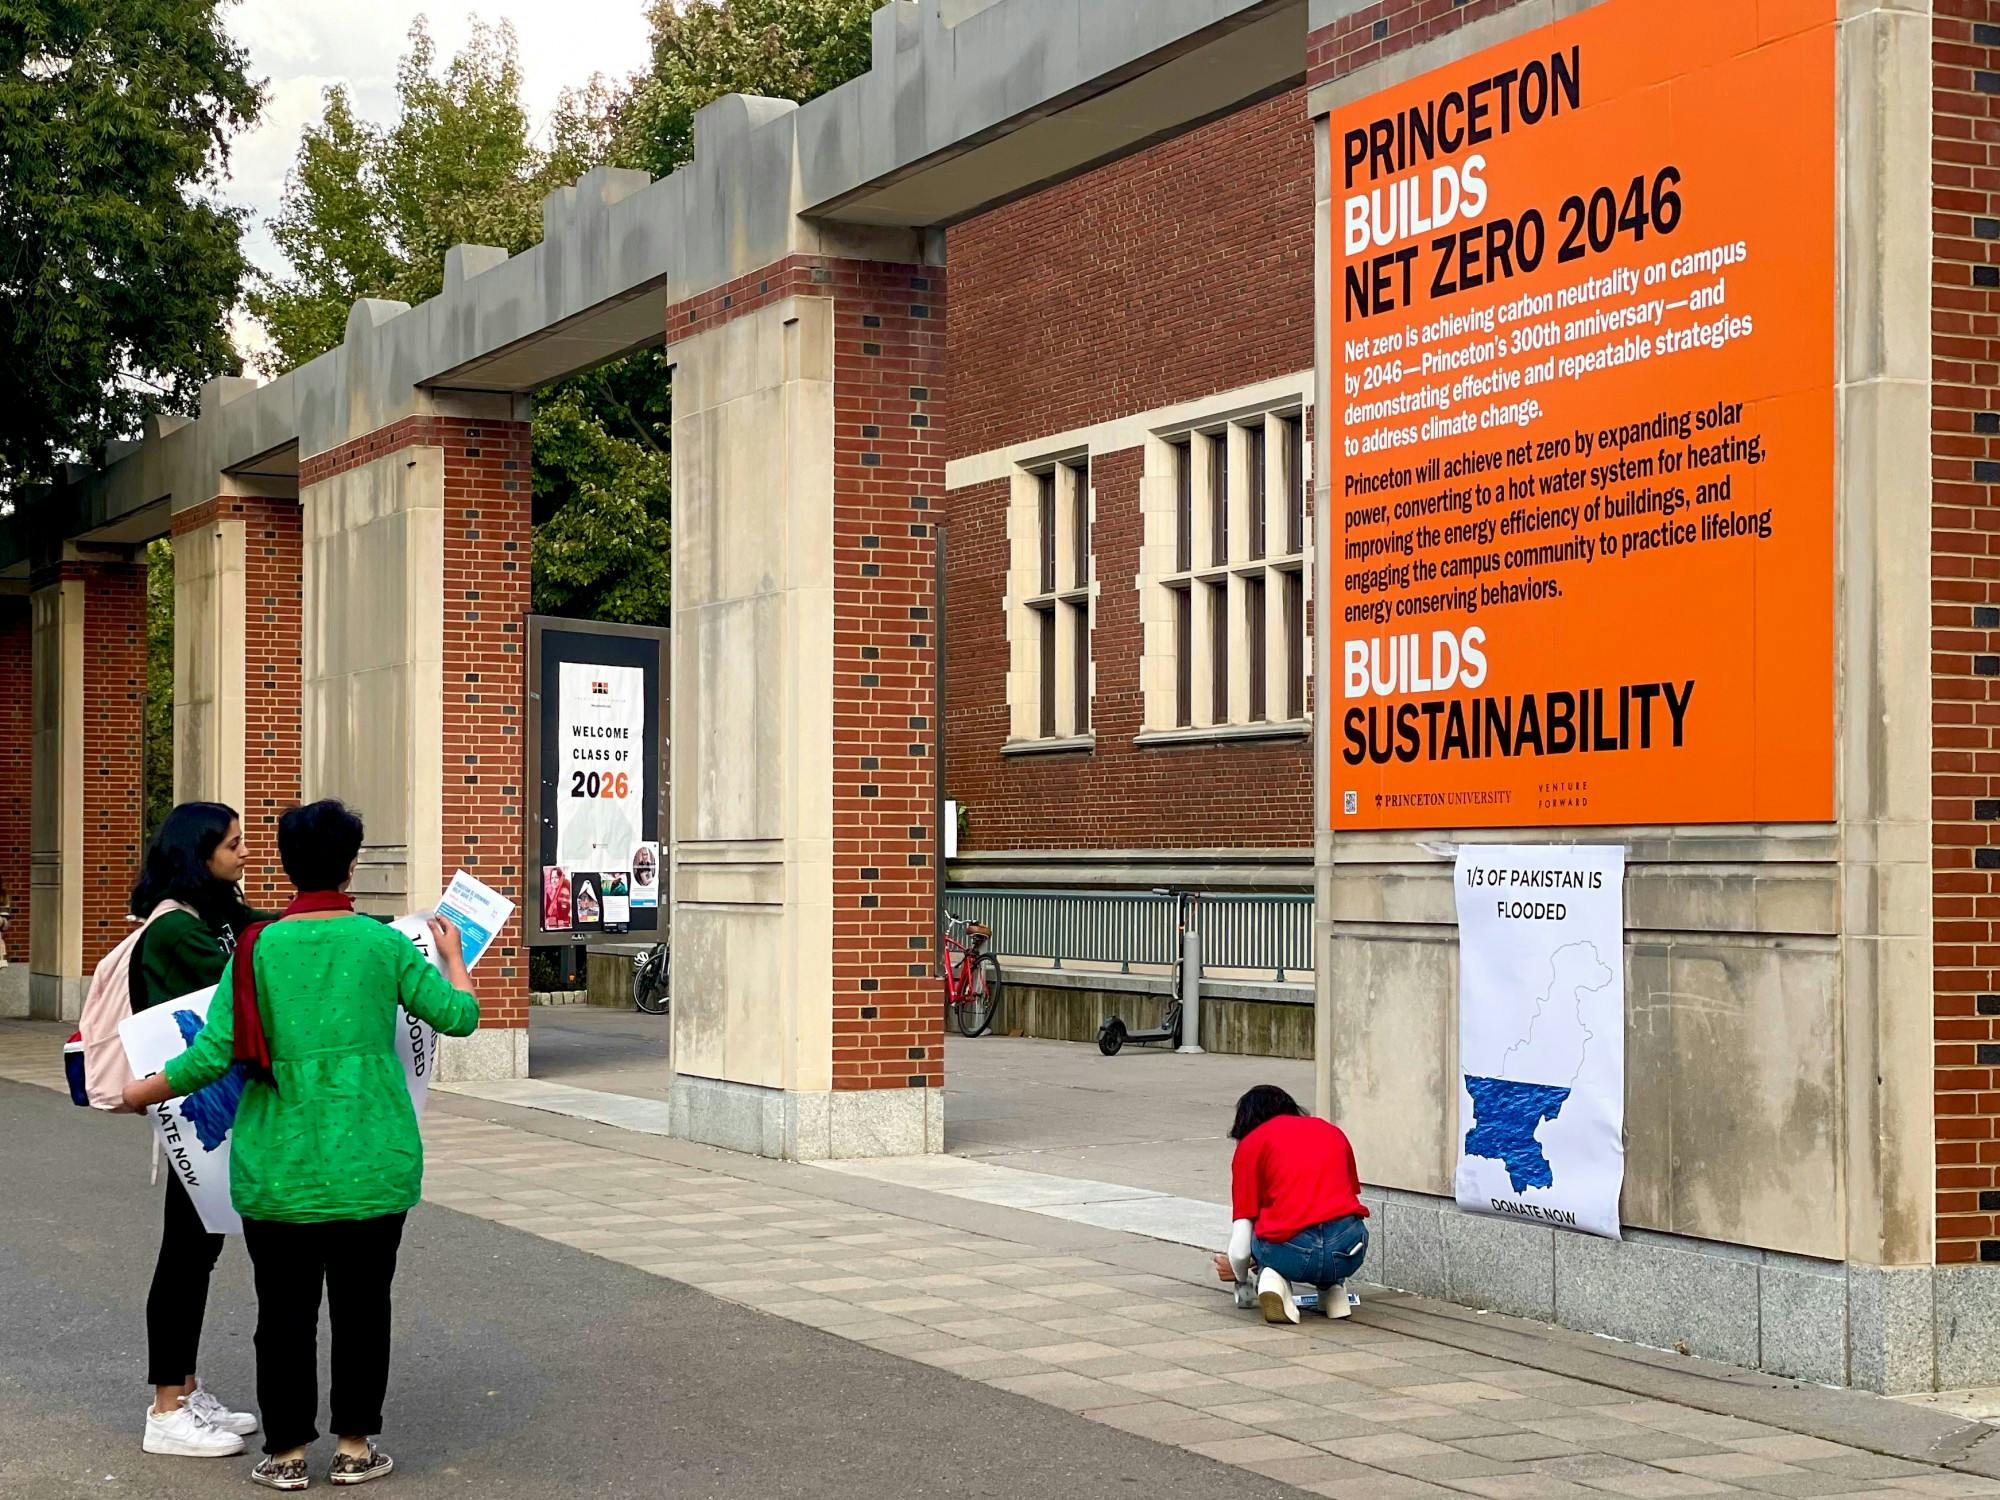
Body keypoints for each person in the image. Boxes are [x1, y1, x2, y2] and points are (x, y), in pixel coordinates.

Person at [125, 800, 481, 1491]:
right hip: (371, 1159)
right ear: (351, 867)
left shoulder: (257, 949)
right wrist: (455, 959)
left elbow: (209, 1057)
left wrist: (137, 1091)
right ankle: (354, 1446)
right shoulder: (380, 946)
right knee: (362, 1307)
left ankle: (286, 1452)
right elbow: (458, 1017)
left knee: (282, 1313)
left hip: (278, 1163)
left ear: (287, 868)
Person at [130, 802, 266, 1459]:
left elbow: (269, 930)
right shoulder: (174, 933)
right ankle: (166, 1408)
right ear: (199, 852)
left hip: (209, 1103)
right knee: (185, 1253)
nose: (245, 854)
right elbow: (245, 986)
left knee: (200, 1248)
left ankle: (184, 1386)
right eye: (234, 845)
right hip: (193, 1108)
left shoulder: (214, 914)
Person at [1213, 1085, 1369, 1326]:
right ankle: (1334, 1293)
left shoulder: (1252, 1143)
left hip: (1292, 1252)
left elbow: (1241, 1245)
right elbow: (1348, 1196)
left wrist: (1240, 1274)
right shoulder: (1330, 1131)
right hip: (1348, 1250)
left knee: (1264, 1230)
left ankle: (1272, 1280)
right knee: (1330, 1222)